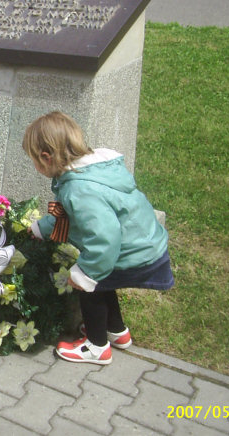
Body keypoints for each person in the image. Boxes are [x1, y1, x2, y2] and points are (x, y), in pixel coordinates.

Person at [22, 111, 173, 365]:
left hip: (133, 254)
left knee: (89, 286)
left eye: (35, 161)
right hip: (144, 245)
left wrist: (85, 273)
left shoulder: (80, 188)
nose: (36, 167)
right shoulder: (88, 172)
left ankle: (97, 346)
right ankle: (117, 331)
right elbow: (67, 216)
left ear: (46, 158)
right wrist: (41, 228)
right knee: (103, 281)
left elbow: (105, 238)